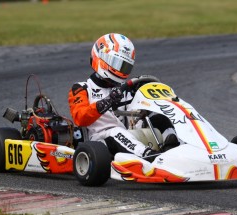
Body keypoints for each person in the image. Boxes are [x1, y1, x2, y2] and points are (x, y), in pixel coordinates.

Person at [68, 33, 179, 161]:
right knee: (116, 132)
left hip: (129, 133)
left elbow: (135, 114)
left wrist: (145, 103)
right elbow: (80, 118)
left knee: (161, 119)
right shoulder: (82, 88)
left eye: (125, 66)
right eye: (117, 63)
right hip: (101, 142)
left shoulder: (125, 88)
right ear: (102, 59)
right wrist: (108, 101)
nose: (120, 70)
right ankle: (150, 157)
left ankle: (173, 151)